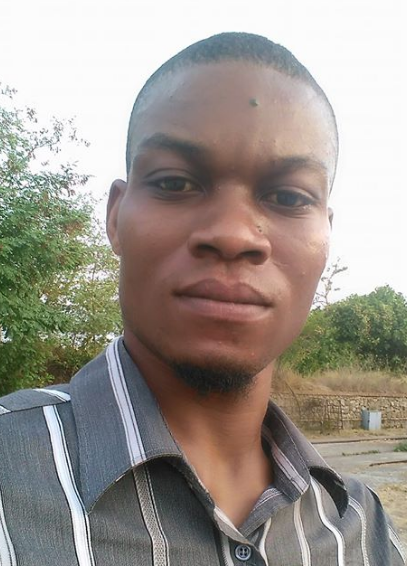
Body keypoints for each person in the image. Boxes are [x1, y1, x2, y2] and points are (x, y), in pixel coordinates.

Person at [0, 32, 405, 566]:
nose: (234, 234)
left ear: (326, 235)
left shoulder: (362, 526)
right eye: (175, 183)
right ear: (115, 217)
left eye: (288, 196)